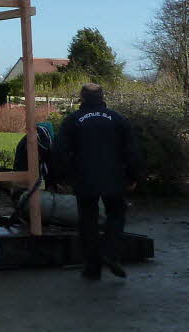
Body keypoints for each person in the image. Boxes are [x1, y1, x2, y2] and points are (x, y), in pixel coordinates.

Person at [53, 83, 142, 280]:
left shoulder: (73, 120)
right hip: (115, 177)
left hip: (84, 179)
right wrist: (133, 176)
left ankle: (92, 268)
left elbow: (60, 151)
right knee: (116, 216)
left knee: (88, 222)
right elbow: (132, 151)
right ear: (102, 97)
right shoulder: (118, 119)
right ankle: (110, 252)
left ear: (81, 98)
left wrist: (61, 177)